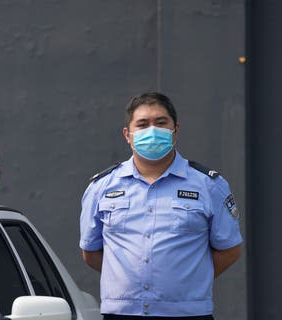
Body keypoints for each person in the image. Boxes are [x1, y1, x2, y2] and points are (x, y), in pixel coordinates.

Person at [79, 92, 242, 320]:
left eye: (161, 122)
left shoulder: (209, 185)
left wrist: (187, 279)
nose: (152, 131)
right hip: (122, 313)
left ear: (175, 129)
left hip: (187, 314)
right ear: (128, 134)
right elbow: (91, 252)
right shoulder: (101, 187)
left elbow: (230, 250)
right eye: (143, 124)